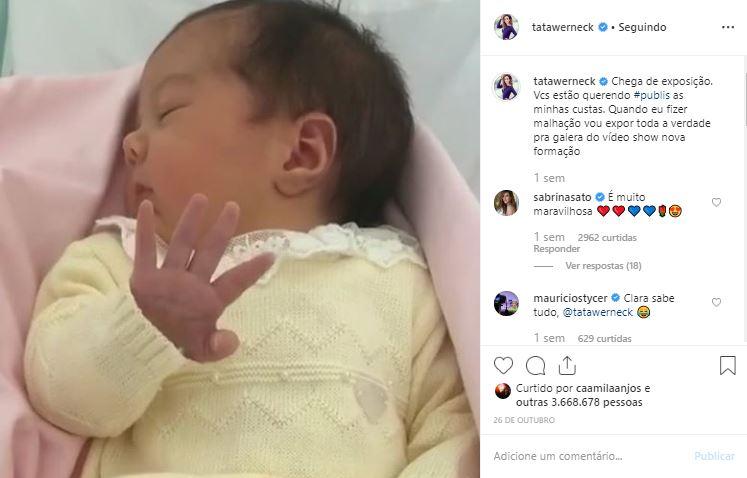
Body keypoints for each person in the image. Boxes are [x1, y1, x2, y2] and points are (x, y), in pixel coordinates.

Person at [23, 1, 476, 477]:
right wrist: (142, 327)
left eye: (168, 112)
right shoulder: (124, 260)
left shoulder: (401, 284)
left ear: (301, 153)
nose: (129, 145)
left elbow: (457, 434)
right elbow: (60, 395)